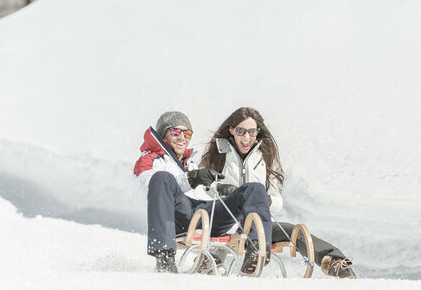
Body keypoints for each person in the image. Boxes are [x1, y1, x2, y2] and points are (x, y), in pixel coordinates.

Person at [200, 107, 356, 278]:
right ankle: (210, 263)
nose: (246, 138)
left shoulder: (265, 156)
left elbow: (278, 201)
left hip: (258, 224)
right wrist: (221, 190)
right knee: (227, 234)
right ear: (232, 130)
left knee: (295, 232)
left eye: (252, 132)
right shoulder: (219, 153)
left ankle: (336, 263)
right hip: (226, 220)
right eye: (241, 131)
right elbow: (200, 187)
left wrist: (263, 200)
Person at [134, 111, 272, 274]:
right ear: (164, 133)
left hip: (204, 213)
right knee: (162, 177)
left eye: (187, 133)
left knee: (254, 189)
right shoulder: (150, 159)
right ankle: (164, 257)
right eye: (176, 132)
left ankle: (257, 250)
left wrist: (221, 191)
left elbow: (200, 193)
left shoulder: (190, 163)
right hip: (179, 215)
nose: (182, 137)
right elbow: (152, 186)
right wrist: (191, 178)